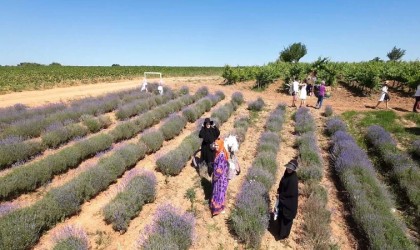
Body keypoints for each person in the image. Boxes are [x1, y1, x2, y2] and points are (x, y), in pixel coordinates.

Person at [276, 159, 298, 240]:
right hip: (283, 200)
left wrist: (281, 195)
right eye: (288, 168)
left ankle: (283, 236)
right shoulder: (286, 173)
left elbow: (291, 193)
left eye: (290, 169)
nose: (289, 169)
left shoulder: (293, 180)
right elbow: (282, 182)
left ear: (293, 170)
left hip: (289, 203)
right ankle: (279, 231)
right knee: (281, 216)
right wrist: (279, 189)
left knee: (286, 220)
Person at [210, 138, 229, 216]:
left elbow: (219, 169)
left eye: (217, 145)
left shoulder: (221, 155)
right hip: (218, 178)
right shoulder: (218, 153)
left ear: (221, 145)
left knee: (219, 193)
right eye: (215, 145)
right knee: (217, 192)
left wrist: (215, 177)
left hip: (220, 179)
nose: (216, 146)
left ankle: (219, 209)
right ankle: (216, 207)